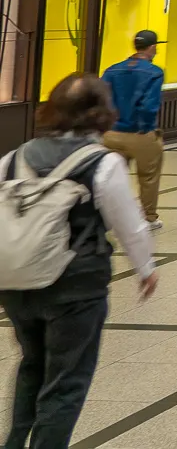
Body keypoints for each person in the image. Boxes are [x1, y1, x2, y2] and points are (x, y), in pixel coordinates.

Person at [0, 74, 158, 448]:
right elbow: (130, 226)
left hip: (15, 282)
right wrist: (145, 269)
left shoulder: (12, 158)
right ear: (101, 114)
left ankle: (14, 443)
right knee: (66, 380)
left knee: (32, 365)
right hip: (75, 288)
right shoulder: (102, 164)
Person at [100, 29, 165, 231]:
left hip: (111, 134)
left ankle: (105, 216)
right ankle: (149, 217)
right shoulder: (154, 72)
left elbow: (100, 100)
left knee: (110, 176)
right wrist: (145, 128)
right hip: (140, 133)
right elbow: (149, 105)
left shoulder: (111, 71)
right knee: (148, 177)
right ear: (153, 47)